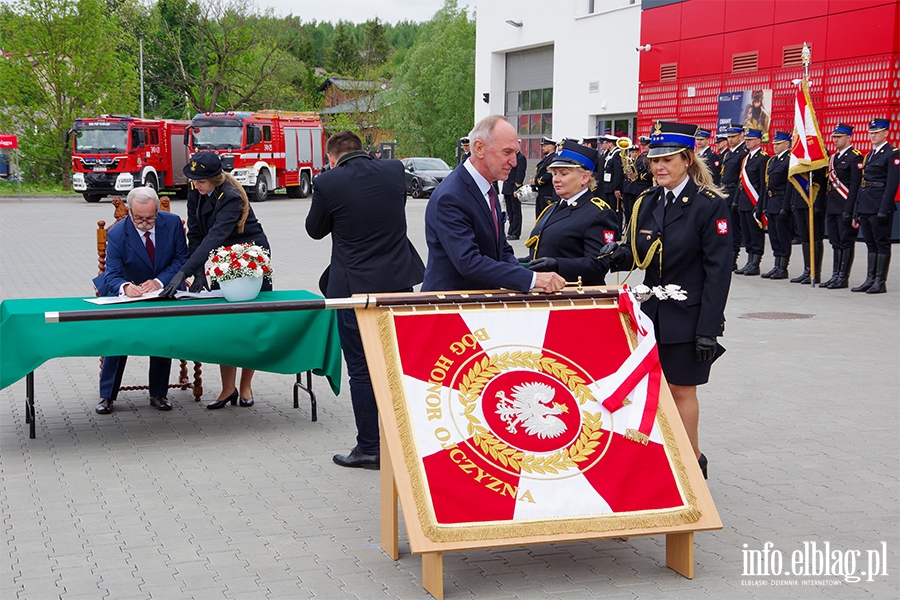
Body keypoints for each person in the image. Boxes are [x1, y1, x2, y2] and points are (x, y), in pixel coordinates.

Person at [600, 121, 732, 480]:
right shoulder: (647, 201)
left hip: (688, 314)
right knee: (650, 391)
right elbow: (640, 254)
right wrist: (619, 255)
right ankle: (658, 459)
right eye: (654, 159)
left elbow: (718, 273)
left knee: (680, 388)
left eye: (668, 160)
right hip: (650, 313)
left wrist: (709, 328)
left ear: (687, 160)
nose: (658, 166)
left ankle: (692, 464)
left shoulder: (708, 206)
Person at [306, 131, 425, 470]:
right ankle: (408, 441)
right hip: (399, 284)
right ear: (362, 149)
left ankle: (370, 447)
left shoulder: (328, 182)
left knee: (361, 368)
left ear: (332, 157)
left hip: (353, 288)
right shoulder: (394, 170)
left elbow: (314, 230)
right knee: (399, 365)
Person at [159, 152, 272, 409]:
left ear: (215, 178)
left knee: (249, 322)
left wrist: (183, 273)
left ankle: (245, 386)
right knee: (227, 323)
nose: (196, 186)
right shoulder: (194, 191)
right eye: (194, 180)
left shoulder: (231, 196)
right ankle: (227, 388)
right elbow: (197, 234)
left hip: (247, 256)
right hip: (222, 256)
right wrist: (198, 272)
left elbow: (215, 237)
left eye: (202, 182)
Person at [422, 115, 566, 294]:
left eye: (515, 153)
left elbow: (501, 250)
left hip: (478, 302)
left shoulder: (486, 188)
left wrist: (524, 275)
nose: (514, 162)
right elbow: (469, 262)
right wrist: (532, 279)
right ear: (479, 148)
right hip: (451, 307)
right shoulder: (451, 196)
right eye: (507, 152)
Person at [94, 187, 190, 414]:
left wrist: (159, 282)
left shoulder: (173, 223)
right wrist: (126, 287)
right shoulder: (117, 233)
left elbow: (181, 260)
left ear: (157, 211)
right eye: (138, 218)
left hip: (161, 290)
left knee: (161, 332)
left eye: (150, 218)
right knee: (118, 334)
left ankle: (159, 393)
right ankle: (107, 395)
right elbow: (112, 274)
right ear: (129, 212)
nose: (144, 223)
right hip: (128, 293)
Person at [525, 139, 619, 286]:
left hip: (575, 296)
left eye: (563, 173)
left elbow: (599, 264)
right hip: (547, 293)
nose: (555, 179)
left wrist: (557, 265)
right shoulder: (552, 208)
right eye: (554, 173)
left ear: (585, 177)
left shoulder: (598, 213)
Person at [852, 118, 899, 294]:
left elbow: (892, 184)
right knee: (870, 243)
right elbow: (863, 183)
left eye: (876, 132)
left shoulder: (892, 153)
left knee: (882, 243)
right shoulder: (869, 155)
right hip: (866, 204)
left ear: (886, 133)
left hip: (879, 204)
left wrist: (884, 209)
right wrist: (857, 208)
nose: (873, 136)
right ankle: (870, 279)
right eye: (871, 133)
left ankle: (880, 281)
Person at [822, 123, 862, 289]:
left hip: (845, 206)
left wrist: (849, 209)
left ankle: (843, 277)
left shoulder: (855, 157)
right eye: (834, 137)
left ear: (848, 138)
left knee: (846, 242)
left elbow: (855, 186)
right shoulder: (833, 158)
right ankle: (835, 275)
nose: (835, 140)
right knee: (835, 242)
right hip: (832, 206)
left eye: (839, 137)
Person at [733, 128, 768, 276]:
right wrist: (736, 201)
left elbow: (763, 184)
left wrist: (760, 205)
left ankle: (755, 263)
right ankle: (749, 261)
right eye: (746, 139)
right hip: (744, 201)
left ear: (758, 141)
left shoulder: (763, 158)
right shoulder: (746, 158)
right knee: (746, 233)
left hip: (754, 202)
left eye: (750, 139)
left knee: (755, 233)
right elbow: (741, 182)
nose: (747, 141)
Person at [788, 160, 827, 285]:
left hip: (813, 201)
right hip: (800, 200)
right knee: (804, 237)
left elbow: (822, 182)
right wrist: (793, 202)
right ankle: (807, 270)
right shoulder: (798, 153)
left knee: (814, 236)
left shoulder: (818, 152)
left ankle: (815, 272)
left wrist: (819, 203)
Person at [761, 131, 793, 279]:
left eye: (778, 144)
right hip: (772, 202)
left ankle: (783, 267)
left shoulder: (789, 159)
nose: (775, 146)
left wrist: (785, 207)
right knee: (774, 236)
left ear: (787, 144)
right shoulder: (773, 160)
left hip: (781, 202)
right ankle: (776, 264)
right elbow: (768, 185)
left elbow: (789, 185)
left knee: (783, 236)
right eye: (774, 144)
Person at [719, 122, 747, 270]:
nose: (730, 139)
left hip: (735, 192)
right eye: (729, 137)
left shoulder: (743, 152)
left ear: (741, 135)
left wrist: (736, 197)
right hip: (725, 192)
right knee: (726, 227)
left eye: (733, 136)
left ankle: (733, 258)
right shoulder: (730, 152)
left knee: (735, 228)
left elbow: (740, 178)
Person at [503, 146, 527, 239]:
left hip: (514, 188)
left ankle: (516, 232)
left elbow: (520, 174)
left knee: (515, 211)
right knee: (510, 211)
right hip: (507, 187)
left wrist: (517, 188)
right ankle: (511, 230)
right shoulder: (510, 157)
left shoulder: (520, 158)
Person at [531, 137, 558, 218]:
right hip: (541, 192)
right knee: (539, 216)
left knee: (544, 216)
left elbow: (549, 174)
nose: (542, 148)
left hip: (547, 192)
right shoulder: (547, 158)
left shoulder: (553, 158)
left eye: (545, 146)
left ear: (551, 147)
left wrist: (536, 182)